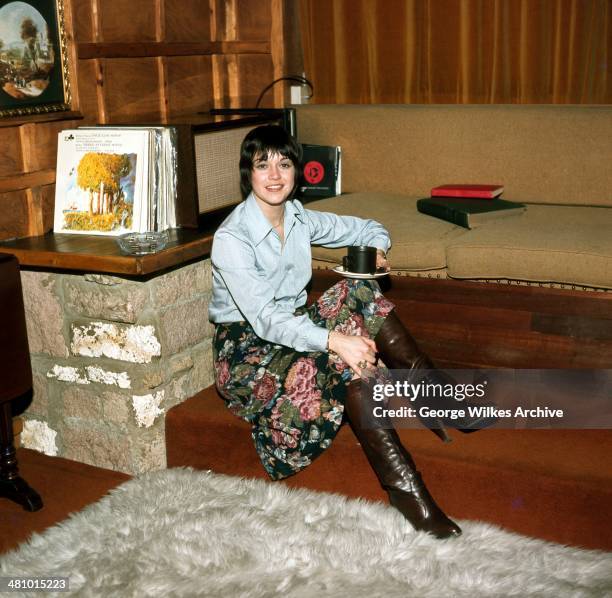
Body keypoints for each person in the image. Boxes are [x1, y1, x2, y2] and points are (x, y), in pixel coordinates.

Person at [210, 125, 494, 540]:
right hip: (247, 352)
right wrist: (336, 340)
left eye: (284, 164)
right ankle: (407, 492)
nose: (274, 175)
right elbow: (266, 319)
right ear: (247, 173)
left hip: (292, 327)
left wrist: (378, 246)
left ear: (295, 171)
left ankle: (441, 401)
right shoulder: (232, 238)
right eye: (262, 164)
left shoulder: (299, 216)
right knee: (344, 360)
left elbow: (367, 227)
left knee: (359, 290)